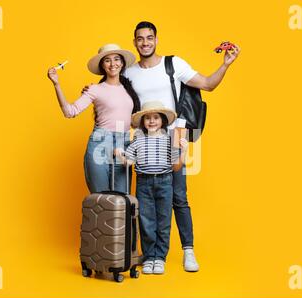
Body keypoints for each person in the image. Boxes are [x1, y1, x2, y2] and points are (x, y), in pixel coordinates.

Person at [123, 21, 241, 272]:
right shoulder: (129, 73)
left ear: (156, 39)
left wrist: (225, 64)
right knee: (147, 200)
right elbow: (114, 92)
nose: (145, 43)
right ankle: (151, 254)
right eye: (140, 39)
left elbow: (208, 84)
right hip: (146, 139)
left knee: (178, 197)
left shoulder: (173, 64)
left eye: (150, 38)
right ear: (134, 42)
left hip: (174, 135)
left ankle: (188, 251)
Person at [47, 44, 140, 193]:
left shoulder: (130, 89)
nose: (112, 64)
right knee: (101, 200)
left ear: (122, 63)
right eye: (107, 60)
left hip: (123, 144)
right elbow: (70, 112)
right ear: (102, 65)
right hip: (100, 143)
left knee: (123, 200)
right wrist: (56, 84)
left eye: (116, 59)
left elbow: (136, 121)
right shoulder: (95, 89)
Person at [115, 101, 188, 275]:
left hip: (165, 183)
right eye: (147, 118)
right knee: (146, 222)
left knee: (163, 222)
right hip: (144, 184)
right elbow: (130, 162)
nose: (152, 121)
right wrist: (120, 155)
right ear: (142, 122)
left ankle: (160, 258)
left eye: (156, 117)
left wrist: (184, 151)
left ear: (162, 120)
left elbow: (176, 167)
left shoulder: (170, 140)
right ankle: (149, 257)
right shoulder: (138, 140)